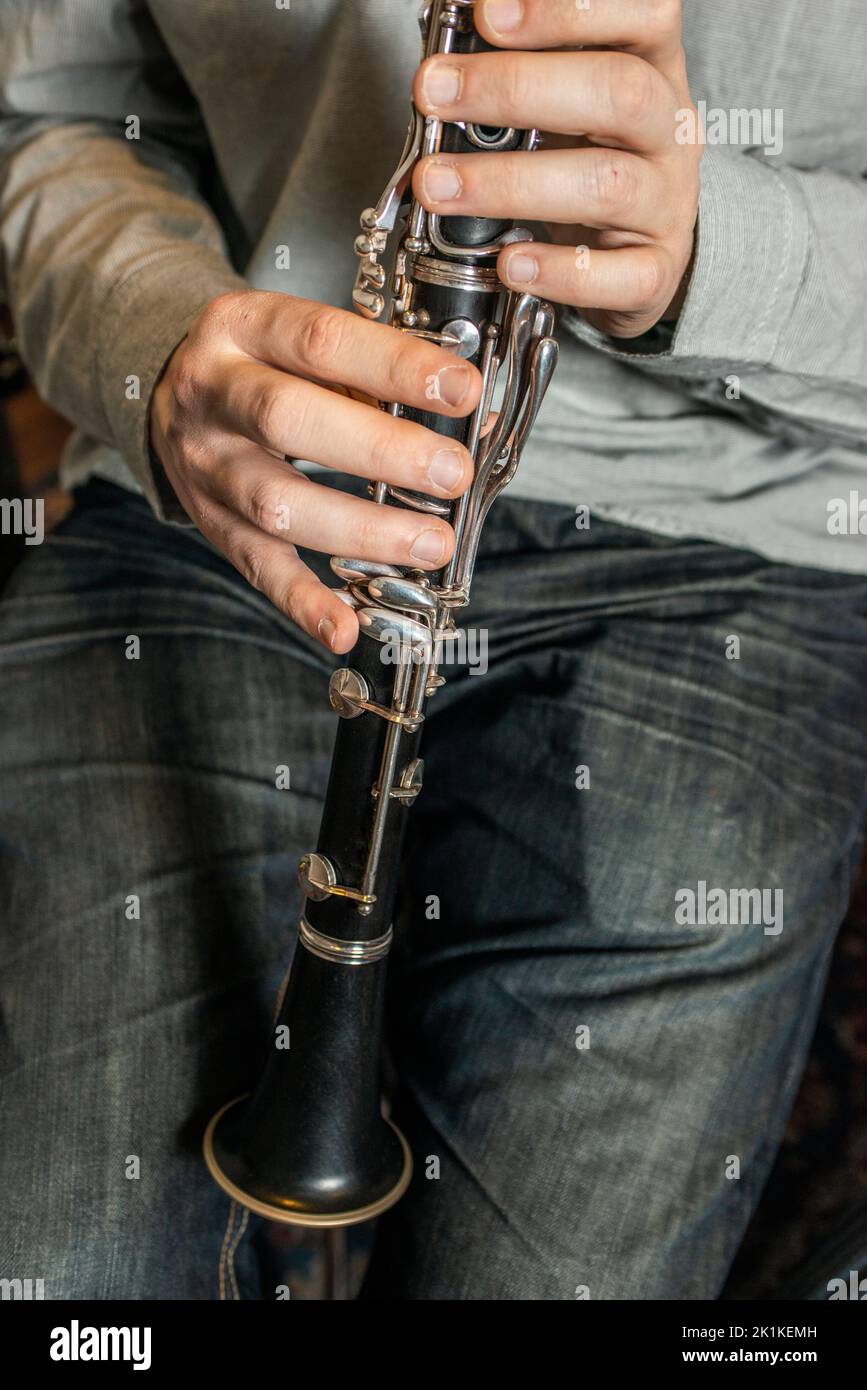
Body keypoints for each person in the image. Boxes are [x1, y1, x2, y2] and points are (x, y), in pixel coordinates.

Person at [1, 0, 865, 1301]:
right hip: (235, 483)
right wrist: (158, 339)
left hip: (742, 535)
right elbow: (54, 112)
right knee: (64, 1281)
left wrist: (711, 244)